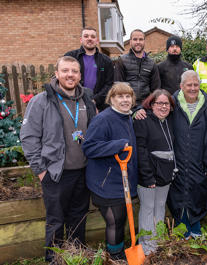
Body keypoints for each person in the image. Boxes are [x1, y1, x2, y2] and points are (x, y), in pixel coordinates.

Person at [20, 56, 96, 263]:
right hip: (55, 173)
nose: (70, 75)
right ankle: (54, 260)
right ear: (57, 74)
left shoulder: (86, 99)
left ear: (80, 75)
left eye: (74, 71)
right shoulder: (41, 101)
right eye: (65, 71)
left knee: (79, 218)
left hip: (83, 171)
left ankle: (75, 257)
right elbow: (28, 137)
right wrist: (40, 170)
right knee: (56, 221)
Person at [82, 82, 138, 260]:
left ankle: (118, 252)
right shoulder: (103, 119)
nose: (125, 100)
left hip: (121, 180)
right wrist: (118, 145)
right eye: (120, 96)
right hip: (105, 182)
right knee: (115, 221)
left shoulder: (127, 117)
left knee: (120, 220)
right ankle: (115, 256)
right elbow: (89, 147)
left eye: (128, 96)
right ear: (111, 99)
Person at [167, 70, 207, 239]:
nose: (192, 88)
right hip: (178, 159)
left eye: (195, 85)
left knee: (198, 193)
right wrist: (137, 110)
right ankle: (182, 229)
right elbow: (152, 110)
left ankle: (195, 228)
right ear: (181, 86)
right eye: (189, 85)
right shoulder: (172, 103)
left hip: (199, 160)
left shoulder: (206, 105)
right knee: (178, 194)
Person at [133, 89, 176, 255]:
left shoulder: (169, 121)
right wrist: (147, 176)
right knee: (148, 208)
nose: (163, 107)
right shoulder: (143, 120)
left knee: (160, 207)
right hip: (148, 175)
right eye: (159, 103)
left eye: (167, 104)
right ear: (151, 104)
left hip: (165, 174)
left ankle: (158, 241)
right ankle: (147, 245)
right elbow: (141, 150)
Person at [65, 27, 114, 112]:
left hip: (100, 106)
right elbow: (64, 78)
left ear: (97, 40)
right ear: (81, 39)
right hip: (74, 103)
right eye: (86, 36)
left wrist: (95, 100)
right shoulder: (70, 57)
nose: (89, 39)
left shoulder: (106, 61)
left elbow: (109, 84)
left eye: (92, 36)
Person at [114, 29, 161, 109]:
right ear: (130, 42)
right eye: (135, 39)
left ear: (144, 41)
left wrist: (147, 106)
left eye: (141, 39)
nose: (138, 42)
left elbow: (156, 89)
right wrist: (133, 108)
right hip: (127, 107)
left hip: (146, 107)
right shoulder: (122, 61)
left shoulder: (151, 63)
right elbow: (118, 87)